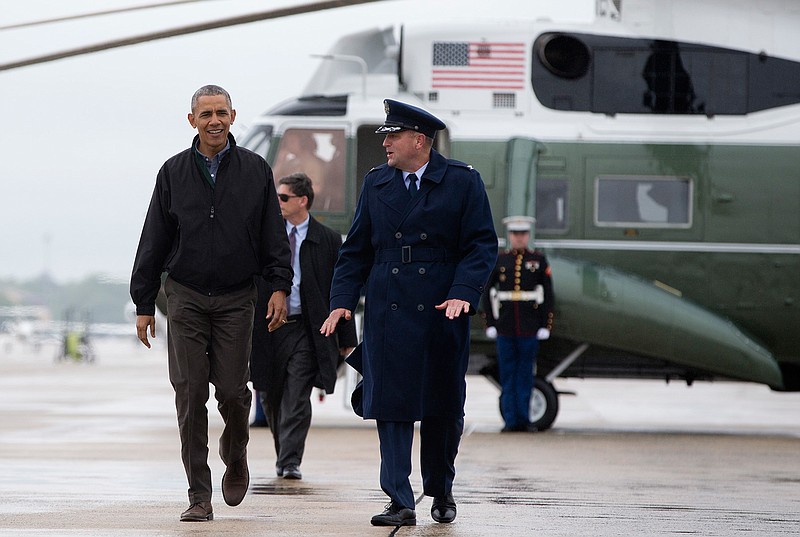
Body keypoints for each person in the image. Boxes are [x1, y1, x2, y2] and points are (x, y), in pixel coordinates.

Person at [320, 99, 497, 526]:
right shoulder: (377, 183)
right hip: (388, 309)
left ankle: (441, 489)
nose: (386, 144)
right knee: (391, 406)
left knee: (442, 408)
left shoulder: (461, 181)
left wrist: (463, 292)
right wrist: (342, 301)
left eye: (393, 136)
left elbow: (481, 245)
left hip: (442, 310)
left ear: (419, 140)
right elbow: (356, 250)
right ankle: (399, 499)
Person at [130, 85, 293, 522]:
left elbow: (273, 235)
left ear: (233, 116)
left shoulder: (256, 170)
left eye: (221, 112)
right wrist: (144, 301)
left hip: (238, 297)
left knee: (234, 393)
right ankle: (199, 495)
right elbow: (154, 238)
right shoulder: (173, 172)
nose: (214, 120)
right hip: (184, 296)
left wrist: (280, 286)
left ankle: (235, 451)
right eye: (206, 114)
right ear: (192, 121)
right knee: (189, 393)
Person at [250, 172, 357, 481]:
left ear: (302, 200)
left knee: (298, 394)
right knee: (270, 394)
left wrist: (345, 336)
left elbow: (340, 288)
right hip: (269, 328)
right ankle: (284, 453)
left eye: (283, 198)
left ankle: (290, 461)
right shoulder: (265, 237)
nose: (277, 203)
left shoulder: (327, 239)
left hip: (307, 330)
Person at [481, 216, 555, 432]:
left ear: (528, 236)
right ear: (510, 236)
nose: (519, 238)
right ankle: (510, 420)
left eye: (523, 234)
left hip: (529, 327)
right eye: (515, 234)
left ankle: (524, 419)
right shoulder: (501, 260)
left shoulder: (538, 260)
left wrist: (545, 325)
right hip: (505, 326)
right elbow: (487, 292)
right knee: (508, 375)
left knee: (525, 375)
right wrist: (490, 323)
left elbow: (548, 294)